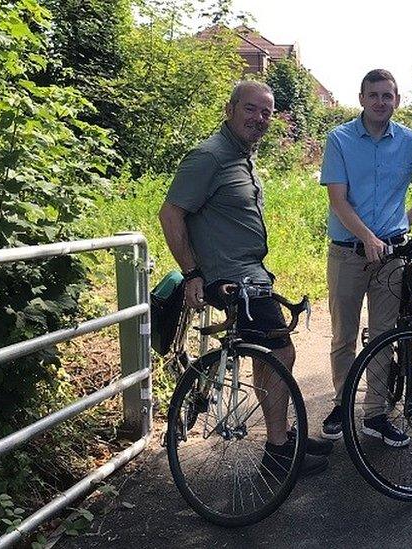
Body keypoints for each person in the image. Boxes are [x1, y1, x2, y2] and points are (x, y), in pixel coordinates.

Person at [159, 80, 330, 475]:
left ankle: (283, 438)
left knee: (269, 349)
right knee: (280, 351)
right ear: (230, 108)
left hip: (251, 276)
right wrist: (192, 275)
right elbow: (171, 215)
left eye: (266, 112)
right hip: (229, 279)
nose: (259, 118)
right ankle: (277, 451)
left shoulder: (241, 156)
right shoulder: (209, 157)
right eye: (251, 109)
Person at [319, 69, 412, 446]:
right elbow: (338, 200)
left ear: (397, 100)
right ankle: (342, 404)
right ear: (361, 98)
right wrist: (368, 236)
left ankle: (375, 413)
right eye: (373, 95)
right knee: (343, 335)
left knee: (383, 335)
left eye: (386, 96)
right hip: (347, 252)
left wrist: (406, 219)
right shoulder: (339, 139)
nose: (379, 102)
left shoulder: (408, 141)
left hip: (392, 254)